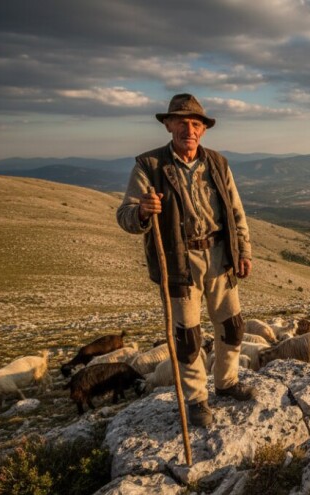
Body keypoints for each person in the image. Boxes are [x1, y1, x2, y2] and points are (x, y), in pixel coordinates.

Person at [117, 93, 254, 427]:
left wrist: (244, 251)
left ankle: (227, 383)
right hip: (180, 259)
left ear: (203, 130)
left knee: (232, 327)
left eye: (195, 124)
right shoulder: (149, 166)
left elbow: (236, 211)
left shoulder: (218, 163)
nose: (188, 129)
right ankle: (196, 400)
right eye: (181, 122)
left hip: (220, 255)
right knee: (188, 336)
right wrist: (142, 212)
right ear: (168, 125)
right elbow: (125, 215)